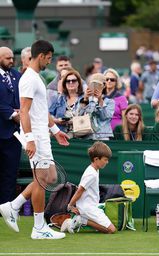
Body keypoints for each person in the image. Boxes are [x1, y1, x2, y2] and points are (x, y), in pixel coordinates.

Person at [0, 40, 70, 239]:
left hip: (42, 135)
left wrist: (56, 130)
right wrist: (29, 139)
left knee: (51, 177)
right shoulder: (29, 79)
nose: (49, 62)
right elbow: (24, 111)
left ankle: (13, 206)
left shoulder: (35, 77)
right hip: (36, 136)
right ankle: (39, 228)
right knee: (40, 180)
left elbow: (41, 110)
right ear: (41, 56)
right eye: (48, 58)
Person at [61, 141, 116, 234]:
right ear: (96, 159)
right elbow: (79, 191)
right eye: (105, 159)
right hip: (88, 208)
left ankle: (81, 220)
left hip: (91, 206)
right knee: (111, 230)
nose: (107, 162)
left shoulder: (95, 170)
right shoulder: (91, 174)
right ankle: (82, 220)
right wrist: (70, 206)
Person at [0, 47, 22, 204]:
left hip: (14, 134)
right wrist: (14, 115)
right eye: (7, 58)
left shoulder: (16, 75)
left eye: (12, 57)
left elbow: (22, 98)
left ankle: (6, 207)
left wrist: (20, 111)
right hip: (2, 128)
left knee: (10, 172)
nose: (11, 61)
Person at [49, 69, 85, 137]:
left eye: (73, 81)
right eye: (68, 81)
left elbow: (88, 116)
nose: (71, 82)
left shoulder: (84, 98)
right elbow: (48, 115)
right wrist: (57, 120)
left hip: (80, 135)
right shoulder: (59, 98)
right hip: (61, 134)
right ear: (64, 84)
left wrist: (72, 121)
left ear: (79, 83)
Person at [79, 73, 114, 140]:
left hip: (103, 136)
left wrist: (100, 100)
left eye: (98, 85)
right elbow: (79, 115)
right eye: (93, 84)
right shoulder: (84, 99)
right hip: (86, 135)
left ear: (104, 86)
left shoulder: (110, 102)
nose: (95, 87)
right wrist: (85, 99)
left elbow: (105, 117)